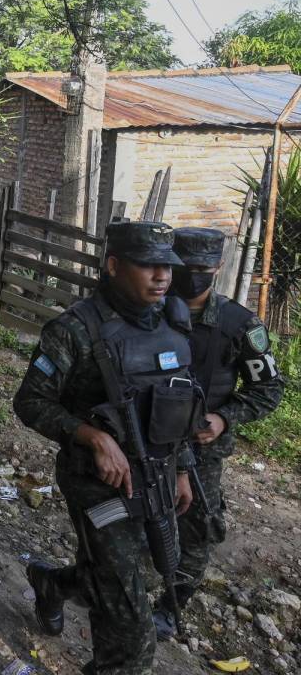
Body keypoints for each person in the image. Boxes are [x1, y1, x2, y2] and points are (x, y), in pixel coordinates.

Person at [16, 221, 200, 675]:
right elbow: (29, 401)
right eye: (149, 265)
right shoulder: (76, 329)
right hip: (96, 482)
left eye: (167, 266)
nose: (162, 276)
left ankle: (52, 584)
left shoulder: (173, 321)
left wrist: (182, 469)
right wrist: (93, 436)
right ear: (114, 265)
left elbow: (176, 405)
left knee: (124, 570)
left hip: (155, 474)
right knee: (132, 631)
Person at [149, 227, 284, 639]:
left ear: (219, 268)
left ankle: (172, 606)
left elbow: (269, 388)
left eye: (203, 269)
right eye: (185, 268)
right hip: (147, 441)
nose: (193, 277)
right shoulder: (147, 312)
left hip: (203, 450)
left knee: (197, 527)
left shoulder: (238, 325)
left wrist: (225, 418)